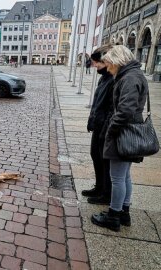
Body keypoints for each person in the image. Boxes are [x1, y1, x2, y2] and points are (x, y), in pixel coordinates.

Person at [91, 45, 149, 231]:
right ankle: (124, 211)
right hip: (128, 131)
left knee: (117, 177)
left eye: (108, 63)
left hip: (122, 132)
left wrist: (111, 130)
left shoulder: (129, 78)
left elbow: (124, 111)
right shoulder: (133, 75)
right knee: (124, 176)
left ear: (117, 61)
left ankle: (114, 215)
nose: (107, 68)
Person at [82, 44, 114, 205]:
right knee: (95, 155)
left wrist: (105, 127)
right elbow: (98, 103)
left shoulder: (114, 78)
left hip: (106, 127)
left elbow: (112, 107)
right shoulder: (105, 77)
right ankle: (99, 187)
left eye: (97, 63)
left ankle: (106, 194)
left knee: (105, 161)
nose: (94, 66)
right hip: (98, 125)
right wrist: (92, 120)